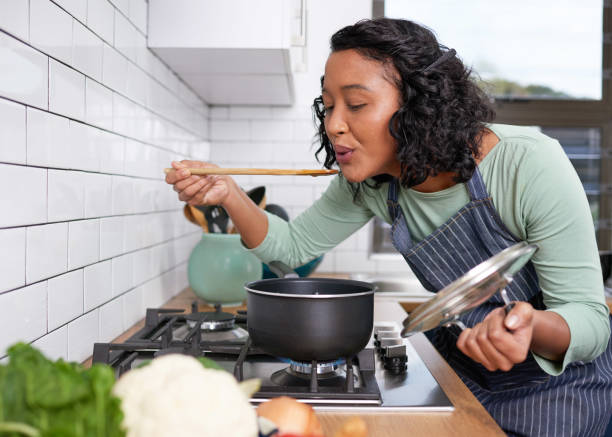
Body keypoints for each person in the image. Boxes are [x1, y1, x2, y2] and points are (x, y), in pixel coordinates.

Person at [166, 18, 612, 436]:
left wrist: (528, 328)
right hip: (465, 373)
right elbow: (292, 247)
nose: (334, 123)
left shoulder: (528, 163)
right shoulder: (373, 182)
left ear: (420, 106)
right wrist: (229, 194)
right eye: (329, 104)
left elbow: (591, 321)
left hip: (559, 392)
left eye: (356, 104)